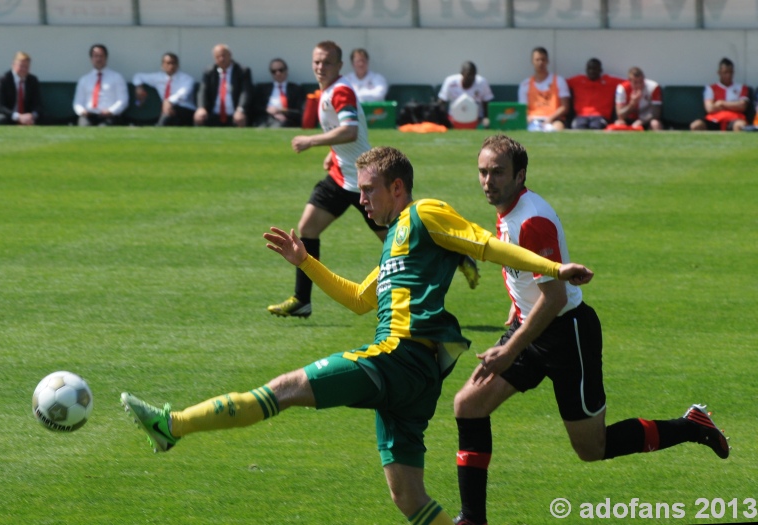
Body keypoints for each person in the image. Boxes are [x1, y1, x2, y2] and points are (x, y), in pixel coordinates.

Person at [121, 145, 594, 524]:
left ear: (397, 187)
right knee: (408, 498)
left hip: (398, 357)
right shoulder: (395, 239)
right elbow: (357, 299)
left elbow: (488, 247)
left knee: (284, 389)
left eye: (368, 191)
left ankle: (173, 425)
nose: (360, 201)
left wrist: (554, 268)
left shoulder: (425, 213)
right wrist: (305, 262)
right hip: (414, 375)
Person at [451, 135, 730, 525]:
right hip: (531, 329)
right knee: (469, 404)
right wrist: (515, 308)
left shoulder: (531, 219)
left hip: (568, 336)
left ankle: (691, 426)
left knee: (591, 448)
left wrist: (512, 347)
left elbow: (554, 297)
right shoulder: (508, 211)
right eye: (483, 171)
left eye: (498, 172)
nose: (487, 180)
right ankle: (472, 518)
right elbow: (528, 277)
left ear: (521, 175)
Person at [267, 41, 480, 318]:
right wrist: (333, 155)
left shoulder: (340, 91)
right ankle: (302, 300)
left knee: (402, 241)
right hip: (339, 177)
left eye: (327, 62)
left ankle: (453, 257)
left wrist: (311, 140)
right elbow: (344, 134)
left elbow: (351, 130)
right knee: (307, 227)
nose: (320, 67)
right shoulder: (329, 91)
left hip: (362, 184)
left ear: (339, 66)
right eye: (317, 62)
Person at [194, 44, 253, 127]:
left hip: (235, 113)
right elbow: (202, 91)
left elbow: (246, 92)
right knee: (199, 116)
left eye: (223, 55)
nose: (221, 59)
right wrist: (201, 108)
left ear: (230, 55)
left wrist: (240, 109)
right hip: (213, 112)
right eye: (218, 57)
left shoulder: (242, 71)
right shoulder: (209, 71)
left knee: (241, 119)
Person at [132, 52, 196, 127]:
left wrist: (169, 101)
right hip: (166, 109)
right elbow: (138, 76)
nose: (171, 66)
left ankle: (159, 128)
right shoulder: (158, 77)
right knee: (169, 111)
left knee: (170, 109)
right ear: (162, 65)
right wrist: (139, 87)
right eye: (168, 63)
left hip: (185, 109)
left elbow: (182, 94)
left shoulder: (187, 79)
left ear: (178, 65)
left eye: (174, 63)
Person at [72, 44, 128, 126]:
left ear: (106, 58)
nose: (98, 59)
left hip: (109, 116)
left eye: (101, 56)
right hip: (89, 115)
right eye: (96, 56)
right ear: (91, 59)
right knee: (84, 127)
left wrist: (111, 111)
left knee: (104, 129)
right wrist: (82, 111)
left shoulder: (117, 78)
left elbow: (123, 100)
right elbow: (77, 102)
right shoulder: (84, 80)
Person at [690, 58, 749, 132]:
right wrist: (733, 105)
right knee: (696, 125)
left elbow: (742, 106)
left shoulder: (742, 88)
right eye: (725, 72)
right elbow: (710, 108)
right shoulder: (711, 88)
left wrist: (721, 103)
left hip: (734, 118)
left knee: (740, 125)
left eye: (730, 72)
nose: (728, 75)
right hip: (714, 119)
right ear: (719, 72)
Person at [518, 47, 570, 131]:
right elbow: (522, 108)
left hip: (554, 119)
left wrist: (549, 119)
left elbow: (565, 107)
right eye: (537, 60)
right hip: (532, 119)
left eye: (543, 60)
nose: (540, 63)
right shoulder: (525, 84)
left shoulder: (559, 81)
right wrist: (528, 118)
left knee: (558, 127)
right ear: (532, 61)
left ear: (547, 61)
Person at [0, 51, 42, 126]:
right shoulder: (3, 80)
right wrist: (18, 117)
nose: (24, 69)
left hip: (26, 115)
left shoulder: (33, 80)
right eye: (21, 66)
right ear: (13, 65)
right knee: (1, 119)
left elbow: (38, 103)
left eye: (26, 67)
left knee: (45, 117)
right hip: (6, 114)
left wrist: (32, 115)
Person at [566, 58, 623, 130]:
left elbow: (628, 83)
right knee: (579, 127)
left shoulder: (609, 81)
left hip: (600, 116)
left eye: (594, 69)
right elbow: (560, 84)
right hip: (581, 116)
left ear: (600, 70)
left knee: (596, 127)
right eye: (589, 69)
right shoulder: (578, 80)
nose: (591, 71)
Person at [437, 61, 494, 129]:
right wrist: (443, 119)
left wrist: (486, 118)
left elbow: (486, 102)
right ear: (462, 73)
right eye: (468, 75)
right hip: (454, 119)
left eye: (473, 75)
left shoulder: (482, 82)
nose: (471, 78)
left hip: (476, 119)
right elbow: (442, 101)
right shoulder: (450, 81)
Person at [252, 58, 305, 128]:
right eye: (274, 71)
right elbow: (255, 107)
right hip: (266, 117)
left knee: (279, 126)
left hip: (286, 119)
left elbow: (300, 112)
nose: (278, 73)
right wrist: (268, 110)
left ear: (286, 71)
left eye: (281, 70)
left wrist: (281, 111)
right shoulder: (262, 88)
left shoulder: (296, 89)